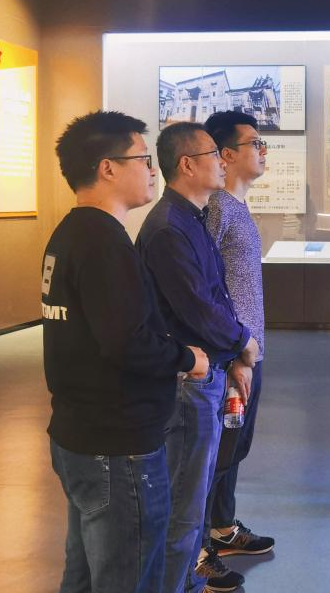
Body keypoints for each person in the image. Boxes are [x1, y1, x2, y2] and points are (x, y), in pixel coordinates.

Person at [43, 111, 209, 593]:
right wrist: (187, 358)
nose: (153, 170)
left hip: (82, 435)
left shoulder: (72, 233)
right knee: (128, 578)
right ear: (108, 168)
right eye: (143, 159)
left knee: (86, 576)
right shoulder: (103, 243)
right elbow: (126, 342)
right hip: (117, 448)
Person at [137, 121, 259, 593]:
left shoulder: (192, 217)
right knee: (184, 506)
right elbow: (198, 307)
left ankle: (187, 579)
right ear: (187, 164)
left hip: (208, 370)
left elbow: (215, 293)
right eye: (213, 153)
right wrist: (242, 342)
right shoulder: (170, 227)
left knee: (194, 495)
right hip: (188, 380)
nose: (221, 161)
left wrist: (233, 353)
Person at [203, 111, 276, 558]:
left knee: (236, 444)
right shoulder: (216, 208)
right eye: (255, 143)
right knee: (221, 449)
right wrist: (232, 354)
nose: (264, 150)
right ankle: (200, 545)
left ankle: (223, 527)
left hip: (247, 351)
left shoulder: (236, 206)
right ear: (227, 155)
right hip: (232, 355)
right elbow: (206, 285)